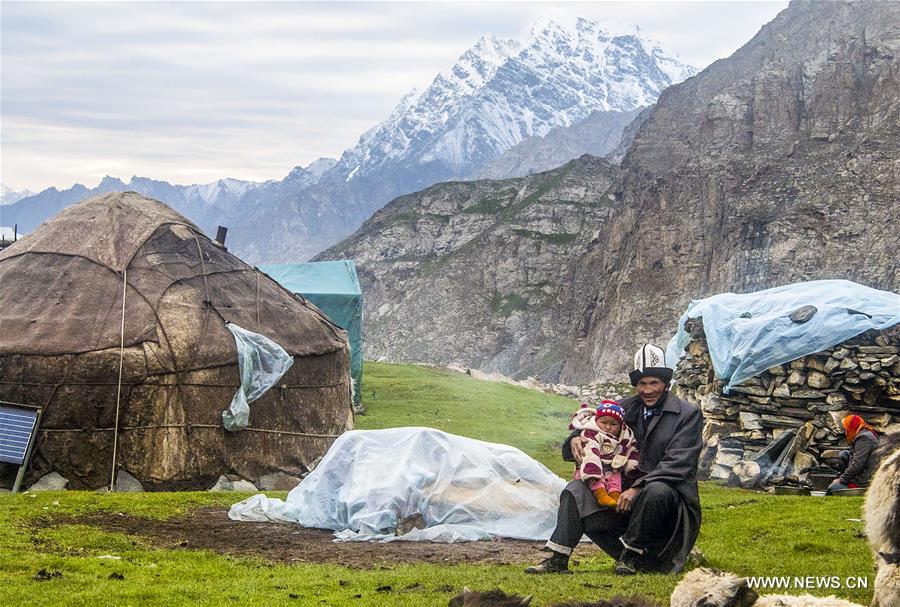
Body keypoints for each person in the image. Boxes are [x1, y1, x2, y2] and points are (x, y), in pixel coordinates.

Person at [526, 344, 703, 576]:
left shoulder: (688, 415)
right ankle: (558, 558)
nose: (647, 390)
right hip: (622, 497)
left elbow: (678, 463)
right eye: (642, 384)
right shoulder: (625, 407)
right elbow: (595, 426)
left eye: (654, 383)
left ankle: (631, 557)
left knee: (657, 490)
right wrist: (575, 439)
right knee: (576, 489)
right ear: (636, 386)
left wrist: (638, 488)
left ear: (666, 385)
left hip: (666, 506)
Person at [568, 400, 640, 507]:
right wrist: (592, 469)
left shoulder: (624, 436)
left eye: (613, 424)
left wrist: (632, 467)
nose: (607, 427)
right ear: (597, 421)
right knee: (597, 477)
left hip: (612, 467)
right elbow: (590, 451)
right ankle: (601, 494)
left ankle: (615, 495)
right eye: (604, 423)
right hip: (593, 467)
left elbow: (631, 449)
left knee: (615, 478)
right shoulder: (591, 433)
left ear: (620, 426)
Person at [828, 414, 880, 492]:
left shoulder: (864, 438)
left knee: (833, 488)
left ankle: (850, 485)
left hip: (866, 480)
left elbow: (857, 464)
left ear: (851, 427)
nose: (845, 432)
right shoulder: (863, 433)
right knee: (844, 455)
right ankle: (846, 482)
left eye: (846, 428)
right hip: (862, 472)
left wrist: (841, 480)